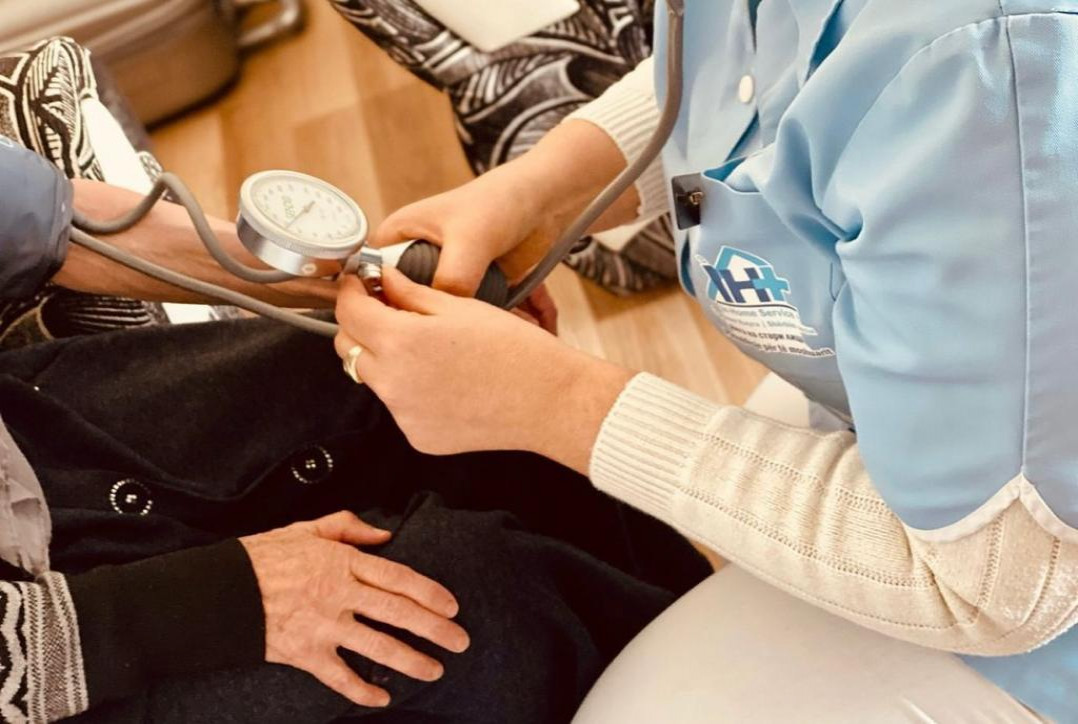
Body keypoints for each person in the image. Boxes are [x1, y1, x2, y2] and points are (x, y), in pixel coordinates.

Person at [331, 1, 1078, 721]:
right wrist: (542, 191)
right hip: (915, 428)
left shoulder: (982, 75)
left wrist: (556, 405)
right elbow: (751, 100)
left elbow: (1004, 587)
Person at [0, 137, 710, 723]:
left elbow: (43, 221)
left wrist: (370, 281)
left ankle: (708, 610)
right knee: (461, 602)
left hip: (23, 435)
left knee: (413, 384)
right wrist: (205, 602)